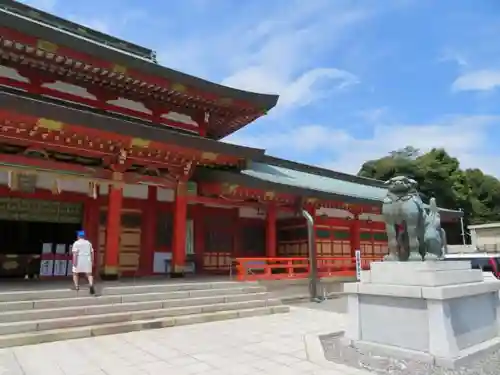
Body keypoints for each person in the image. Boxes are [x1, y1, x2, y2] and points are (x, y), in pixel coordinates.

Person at [72, 230, 95, 295]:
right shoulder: (88, 243)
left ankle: (76, 287)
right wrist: (92, 261)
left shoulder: (76, 243)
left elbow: (75, 253)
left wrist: (74, 262)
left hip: (79, 259)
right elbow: (92, 253)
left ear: (78, 236)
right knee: (89, 274)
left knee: (75, 273)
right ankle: (91, 284)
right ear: (83, 236)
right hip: (87, 260)